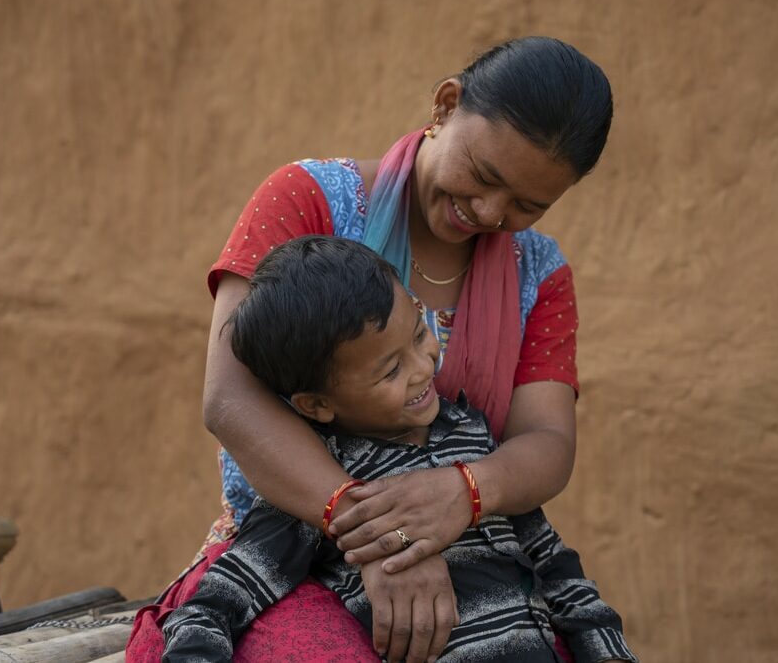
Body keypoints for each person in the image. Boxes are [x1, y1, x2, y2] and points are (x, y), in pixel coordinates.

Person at [127, 36, 614, 663]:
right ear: (445, 105)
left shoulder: (539, 273)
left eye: (528, 205)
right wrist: (377, 536)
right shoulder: (308, 201)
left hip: (476, 552)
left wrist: (467, 491)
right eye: (485, 175)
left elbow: (547, 443)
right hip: (290, 552)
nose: (489, 211)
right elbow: (231, 398)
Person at [162, 236, 636, 663]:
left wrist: (607, 649)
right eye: (390, 371)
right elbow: (217, 602)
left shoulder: (472, 439)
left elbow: (553, 563)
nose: (422, 367)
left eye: (418, 334)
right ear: (317, 404)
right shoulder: (328, 492)